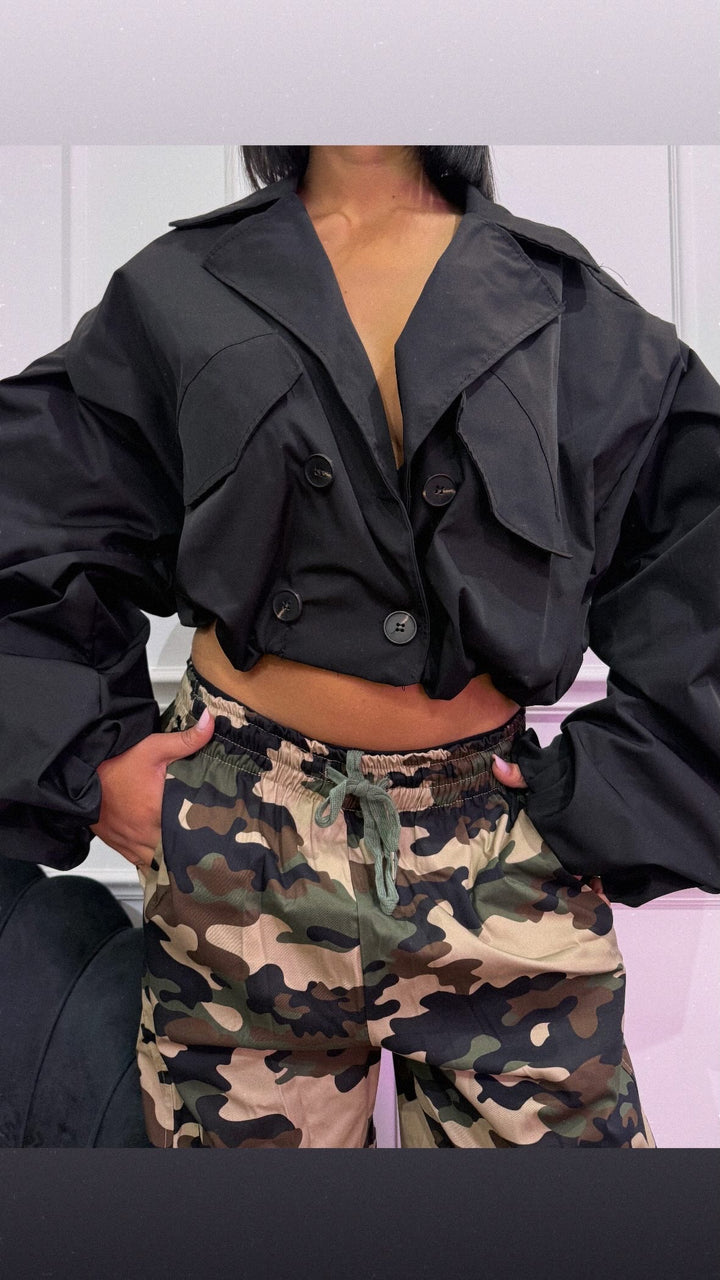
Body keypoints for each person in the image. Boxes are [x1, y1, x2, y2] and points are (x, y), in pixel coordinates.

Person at [1, 145, 719, 1149]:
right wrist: (91, 764)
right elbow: (33, 505)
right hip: (234, 848)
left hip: (500, 849)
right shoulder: (179, 287)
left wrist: (619, 800)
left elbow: (700, 553)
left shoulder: (569, 306)